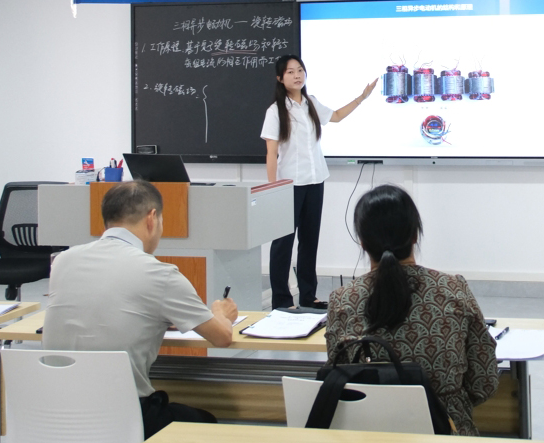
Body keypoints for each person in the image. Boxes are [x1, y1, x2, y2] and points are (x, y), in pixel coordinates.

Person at [43, 180, 239, 439]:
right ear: (152, 218)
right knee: (205, 422)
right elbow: (221, 337)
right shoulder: (160, 274)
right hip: (122, 416)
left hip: (56, 412)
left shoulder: (62, 261)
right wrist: (221, 313)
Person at [324, 185, 498, 435]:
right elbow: (484, 381)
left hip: (367, 433)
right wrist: (449, 402)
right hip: (447, 432)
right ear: (415, 235)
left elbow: (338, 377)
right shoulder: (453, 289)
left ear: (362, 242)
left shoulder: (342, 300)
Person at [262, 54, 376, 310]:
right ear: (280, 78)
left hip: (315, 181)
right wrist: (272, 188)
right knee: (283, 243)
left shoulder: (310, 103)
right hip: (289, 184)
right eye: (290, 72)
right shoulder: (275, 111)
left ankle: (308, 296)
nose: (297, 75)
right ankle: (281, 300)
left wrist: (362, 97)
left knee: (309, 240)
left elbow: (336, 116)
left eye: (300, 70)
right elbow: (271, 152)